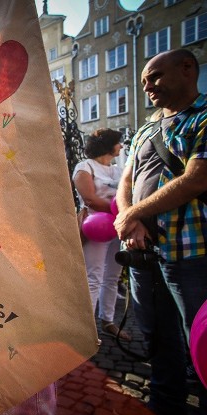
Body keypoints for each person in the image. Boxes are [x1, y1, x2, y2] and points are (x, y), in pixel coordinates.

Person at [114, 48, 207, 415]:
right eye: (144, 82)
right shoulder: (145, 130)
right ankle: (166, 408)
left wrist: (134, 212)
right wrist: (128, 219)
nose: (148, 86)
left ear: (187, 69)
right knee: (157, 337)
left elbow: (197, 178)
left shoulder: (203, 117)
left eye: (154, 76)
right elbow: (126, 182)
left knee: (199, 343)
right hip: (143, 253)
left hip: (190, 254)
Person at [73, 128, 130, 341]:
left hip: (116, 226)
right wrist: (121, 210)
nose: (122, 146)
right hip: (94, 226)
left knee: (113, 276)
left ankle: (108, 321)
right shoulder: (85, 167)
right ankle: (85, 328)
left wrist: (123, 214)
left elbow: (128, 194)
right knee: (93, 276)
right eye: (119, 142)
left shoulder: (119, 170)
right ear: (108, 144)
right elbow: (90, 199)